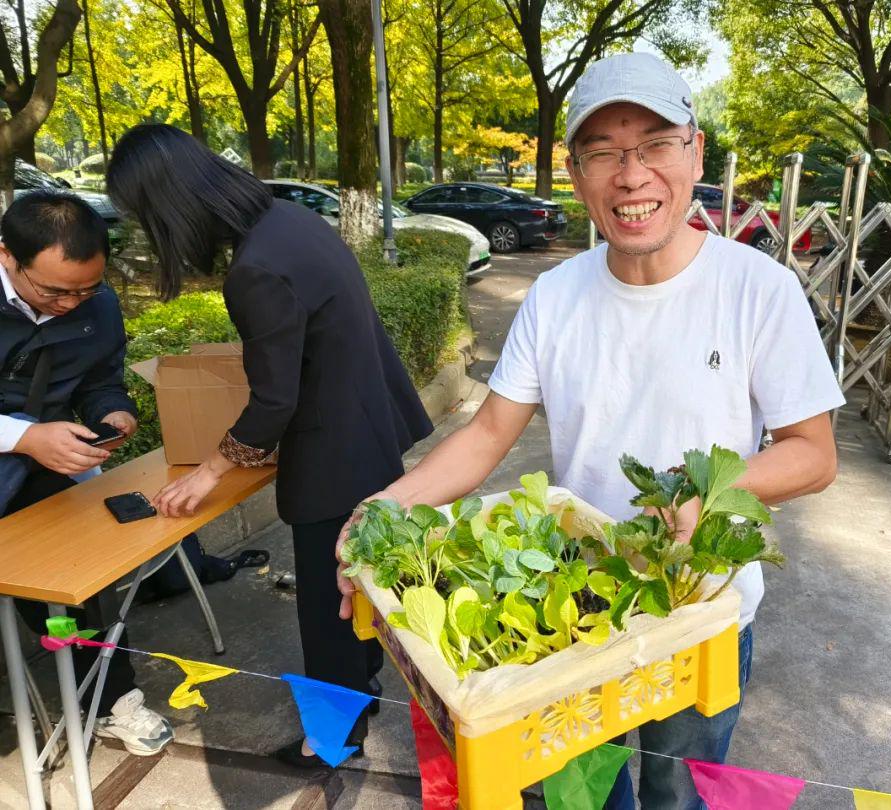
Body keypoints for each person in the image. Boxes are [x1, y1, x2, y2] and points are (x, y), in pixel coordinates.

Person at [336, 52, 845, 808]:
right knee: (588, 796)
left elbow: (813, 456)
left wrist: (710, 495)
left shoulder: (757, 289)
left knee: (681, 794)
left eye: (654, 145)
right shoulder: (555, 297)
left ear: (695, 152)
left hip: (702, 612)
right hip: (578, 615)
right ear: (575, 175)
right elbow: (485, 436)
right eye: (603, 152)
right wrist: (387, 505)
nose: (631, 175)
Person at [104, 125, 434, 767]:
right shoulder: (287, 220)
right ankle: (358, 701)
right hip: (368, 427)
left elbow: (274, 401)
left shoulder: (255, 268)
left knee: (328, 602)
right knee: (357, 586)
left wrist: (209, 470)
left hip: (332, 453)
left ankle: (334, 742)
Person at [0, 190, 174, 756]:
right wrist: (24, 436)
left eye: (86, 288)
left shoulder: (96, 308)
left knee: (74, 588)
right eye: (53, 291)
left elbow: (101, 378)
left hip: (38, 474)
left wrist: (111, 412)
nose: (72, 303)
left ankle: (108, 700)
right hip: (28, 451)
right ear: (7, 256)